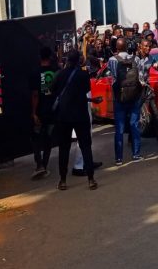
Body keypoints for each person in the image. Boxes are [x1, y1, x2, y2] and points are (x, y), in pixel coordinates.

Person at [51, 50, 103, 190]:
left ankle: (62, 181)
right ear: (78, 60)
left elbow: (52, 89)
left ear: (67, 60)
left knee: (64, 148)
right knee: (85, 146)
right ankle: (91, 179)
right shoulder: (83, 74)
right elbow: (85, 90)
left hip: (64, 116)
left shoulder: (59, 74)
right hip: (80, 114)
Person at [109, 38, 143, 164]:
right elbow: (141, 77)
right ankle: (136, 154)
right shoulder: (136, 59)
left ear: (117, 48)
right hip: (134, 96)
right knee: (134, 125)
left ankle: (119, 158)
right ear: (127, 47)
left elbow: (113, 77)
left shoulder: (112, 60)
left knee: (119, 128)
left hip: (119, 97)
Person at [30, 46, 58, 180]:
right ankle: (44, 165)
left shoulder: (35, 72)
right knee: (48, 138)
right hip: (52, 111)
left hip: (40, 111)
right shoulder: (55, 71)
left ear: (40, 57)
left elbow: (35, 94)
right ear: (50, 57)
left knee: (36, 138)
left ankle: (39, 164)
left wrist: (34, 112)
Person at [137, 39, 158, 148]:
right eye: (146, 46)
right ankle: (132, 139)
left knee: (156, 114)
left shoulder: (150, 58)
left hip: (147, 89)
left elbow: (156, 66)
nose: (148, 49)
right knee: (135, 115)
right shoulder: (135, 58)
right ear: (140, 47)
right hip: (137, 90)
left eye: (149, 47)